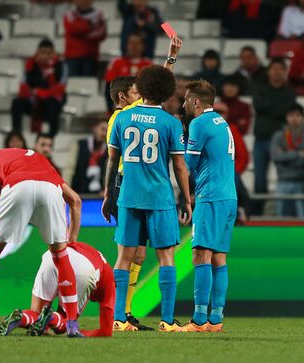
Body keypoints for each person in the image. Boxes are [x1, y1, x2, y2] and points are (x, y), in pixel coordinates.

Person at [102, 65, 192, 333]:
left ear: (141, 90)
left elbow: (112, 160)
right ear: (166, 92)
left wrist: (108, 193)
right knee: (166, 257)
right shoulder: (171, 123)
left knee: (124, 258)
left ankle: (118, 318)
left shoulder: (122, 118)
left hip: (128, 195)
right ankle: (167, 319)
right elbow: (179, 166)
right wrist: (186, 199)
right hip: (159, 198)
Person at [0, 148, 83, 337]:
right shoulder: (43, 161)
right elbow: (75, 200)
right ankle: (72, 326)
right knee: (60, 257)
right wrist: (71, 241)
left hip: (17, 186)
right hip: (50, 189)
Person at [181, 80, 237, 332]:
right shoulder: (221, 122)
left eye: (185, 100)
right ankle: (216, 319)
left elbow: (187, 165)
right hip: (229, 198)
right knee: (219, 257)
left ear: (195, 101)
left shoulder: (199, 123)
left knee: (200, 255)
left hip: (211, 197)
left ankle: (199, 319)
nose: (183, 104)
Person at [0, 242, 115, 337]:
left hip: (55, 255)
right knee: (67, 321)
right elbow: (106, 331)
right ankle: (51, 318)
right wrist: (81, 331)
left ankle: (21, 317)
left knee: (37, 313)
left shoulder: (94, 253)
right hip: (84, 269)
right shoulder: (110, 282)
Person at [252, 58, 296, 214]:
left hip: (281, 141)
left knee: (284, 177)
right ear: (269, 71)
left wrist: (269, 109)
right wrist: (278, 109)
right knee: (259, 180)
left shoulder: (290, 92)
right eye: (274, 68)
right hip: (261, 140)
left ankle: (283, 212)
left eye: (280, 69)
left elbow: (287, 111)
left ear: (285, 72)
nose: (277, 72)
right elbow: (259, 106)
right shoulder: (260, 89)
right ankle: (256, 214)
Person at [270, 103, 304, 217]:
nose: (294, 119)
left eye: (297, 115)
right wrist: (297, 154)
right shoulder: (278, 136)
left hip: (303, 182)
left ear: (303, 118)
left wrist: (286, 156)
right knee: (281, 220)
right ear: (286, 118)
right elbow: (276, 157)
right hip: (282, 182)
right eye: (291, 116)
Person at [11, 39, 68, 135]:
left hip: (51, 101)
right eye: (42, 53)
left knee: (52, 103)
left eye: (48, 53)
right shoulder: (30, 64)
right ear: (38, 52)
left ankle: (51, 136)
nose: (45, 56)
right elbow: (23, 87)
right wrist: (34, 94)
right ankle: (16, 134)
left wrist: (40, 92)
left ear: (53, 53)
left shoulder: (61, 65)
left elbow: (60, 89)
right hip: (33, 100)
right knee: (16, 103)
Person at [104, 31, 152, 111]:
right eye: (131, 43)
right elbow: (108, 88)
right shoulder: (116, 63)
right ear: (127, 45)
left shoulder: (149, 65)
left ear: (143, 46)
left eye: (137, 43)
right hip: (121, 108)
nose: (134, 46)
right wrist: (110, 110)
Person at [63, 0, 106, 76]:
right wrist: (90, 25)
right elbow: (72, 29)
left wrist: (80, 32)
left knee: (89, 85)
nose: (82, 1)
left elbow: (101, 34)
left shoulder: (98, 15)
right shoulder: (69, 14)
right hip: (72, 57)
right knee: (72, 84)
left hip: (90, 57)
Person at [71, 121, 108, 195]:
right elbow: (71, 168)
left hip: (99, 194)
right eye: (102, 129)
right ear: (95, 129)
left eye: (107, 131)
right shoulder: (80, 145)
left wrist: (105, 190)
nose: (104, 134)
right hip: (78, 191)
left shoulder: (108, 150)